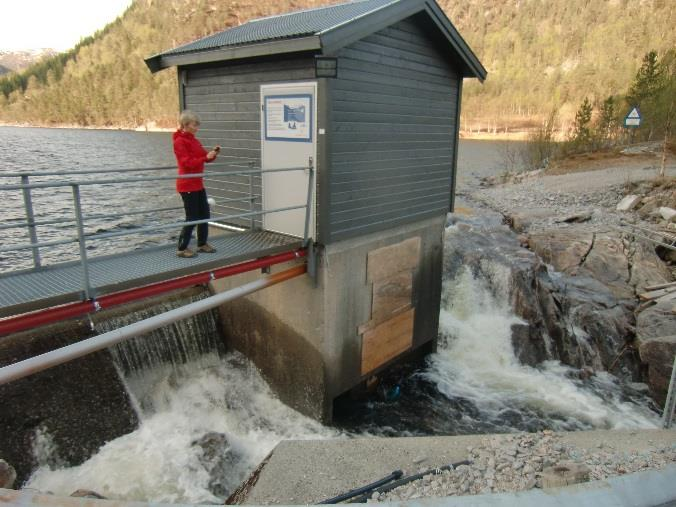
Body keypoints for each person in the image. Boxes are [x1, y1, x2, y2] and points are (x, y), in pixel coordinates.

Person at [173, 110, 220, 258]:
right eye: (195, 124)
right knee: (192, 217)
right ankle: (182, 248)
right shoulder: (180, 142)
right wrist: (204, 158)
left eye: (197, 124)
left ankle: (202, 244)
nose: (197, 127)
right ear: (186, 125)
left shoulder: (193, 140)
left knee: (204, 214)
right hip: (187, 185)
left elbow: (202, 157)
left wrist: (211, 155)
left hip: (198, 183)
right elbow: (186, 163)